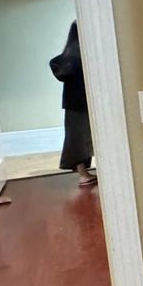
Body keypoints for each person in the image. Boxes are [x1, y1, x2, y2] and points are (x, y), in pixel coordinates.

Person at [50, 21, 96, 186]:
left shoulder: (69, 57)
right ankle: (83, 174)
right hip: (81, 102)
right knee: (80, 139)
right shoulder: (83, 56)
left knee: (76, 138)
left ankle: (83, 173)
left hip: (74, 103)